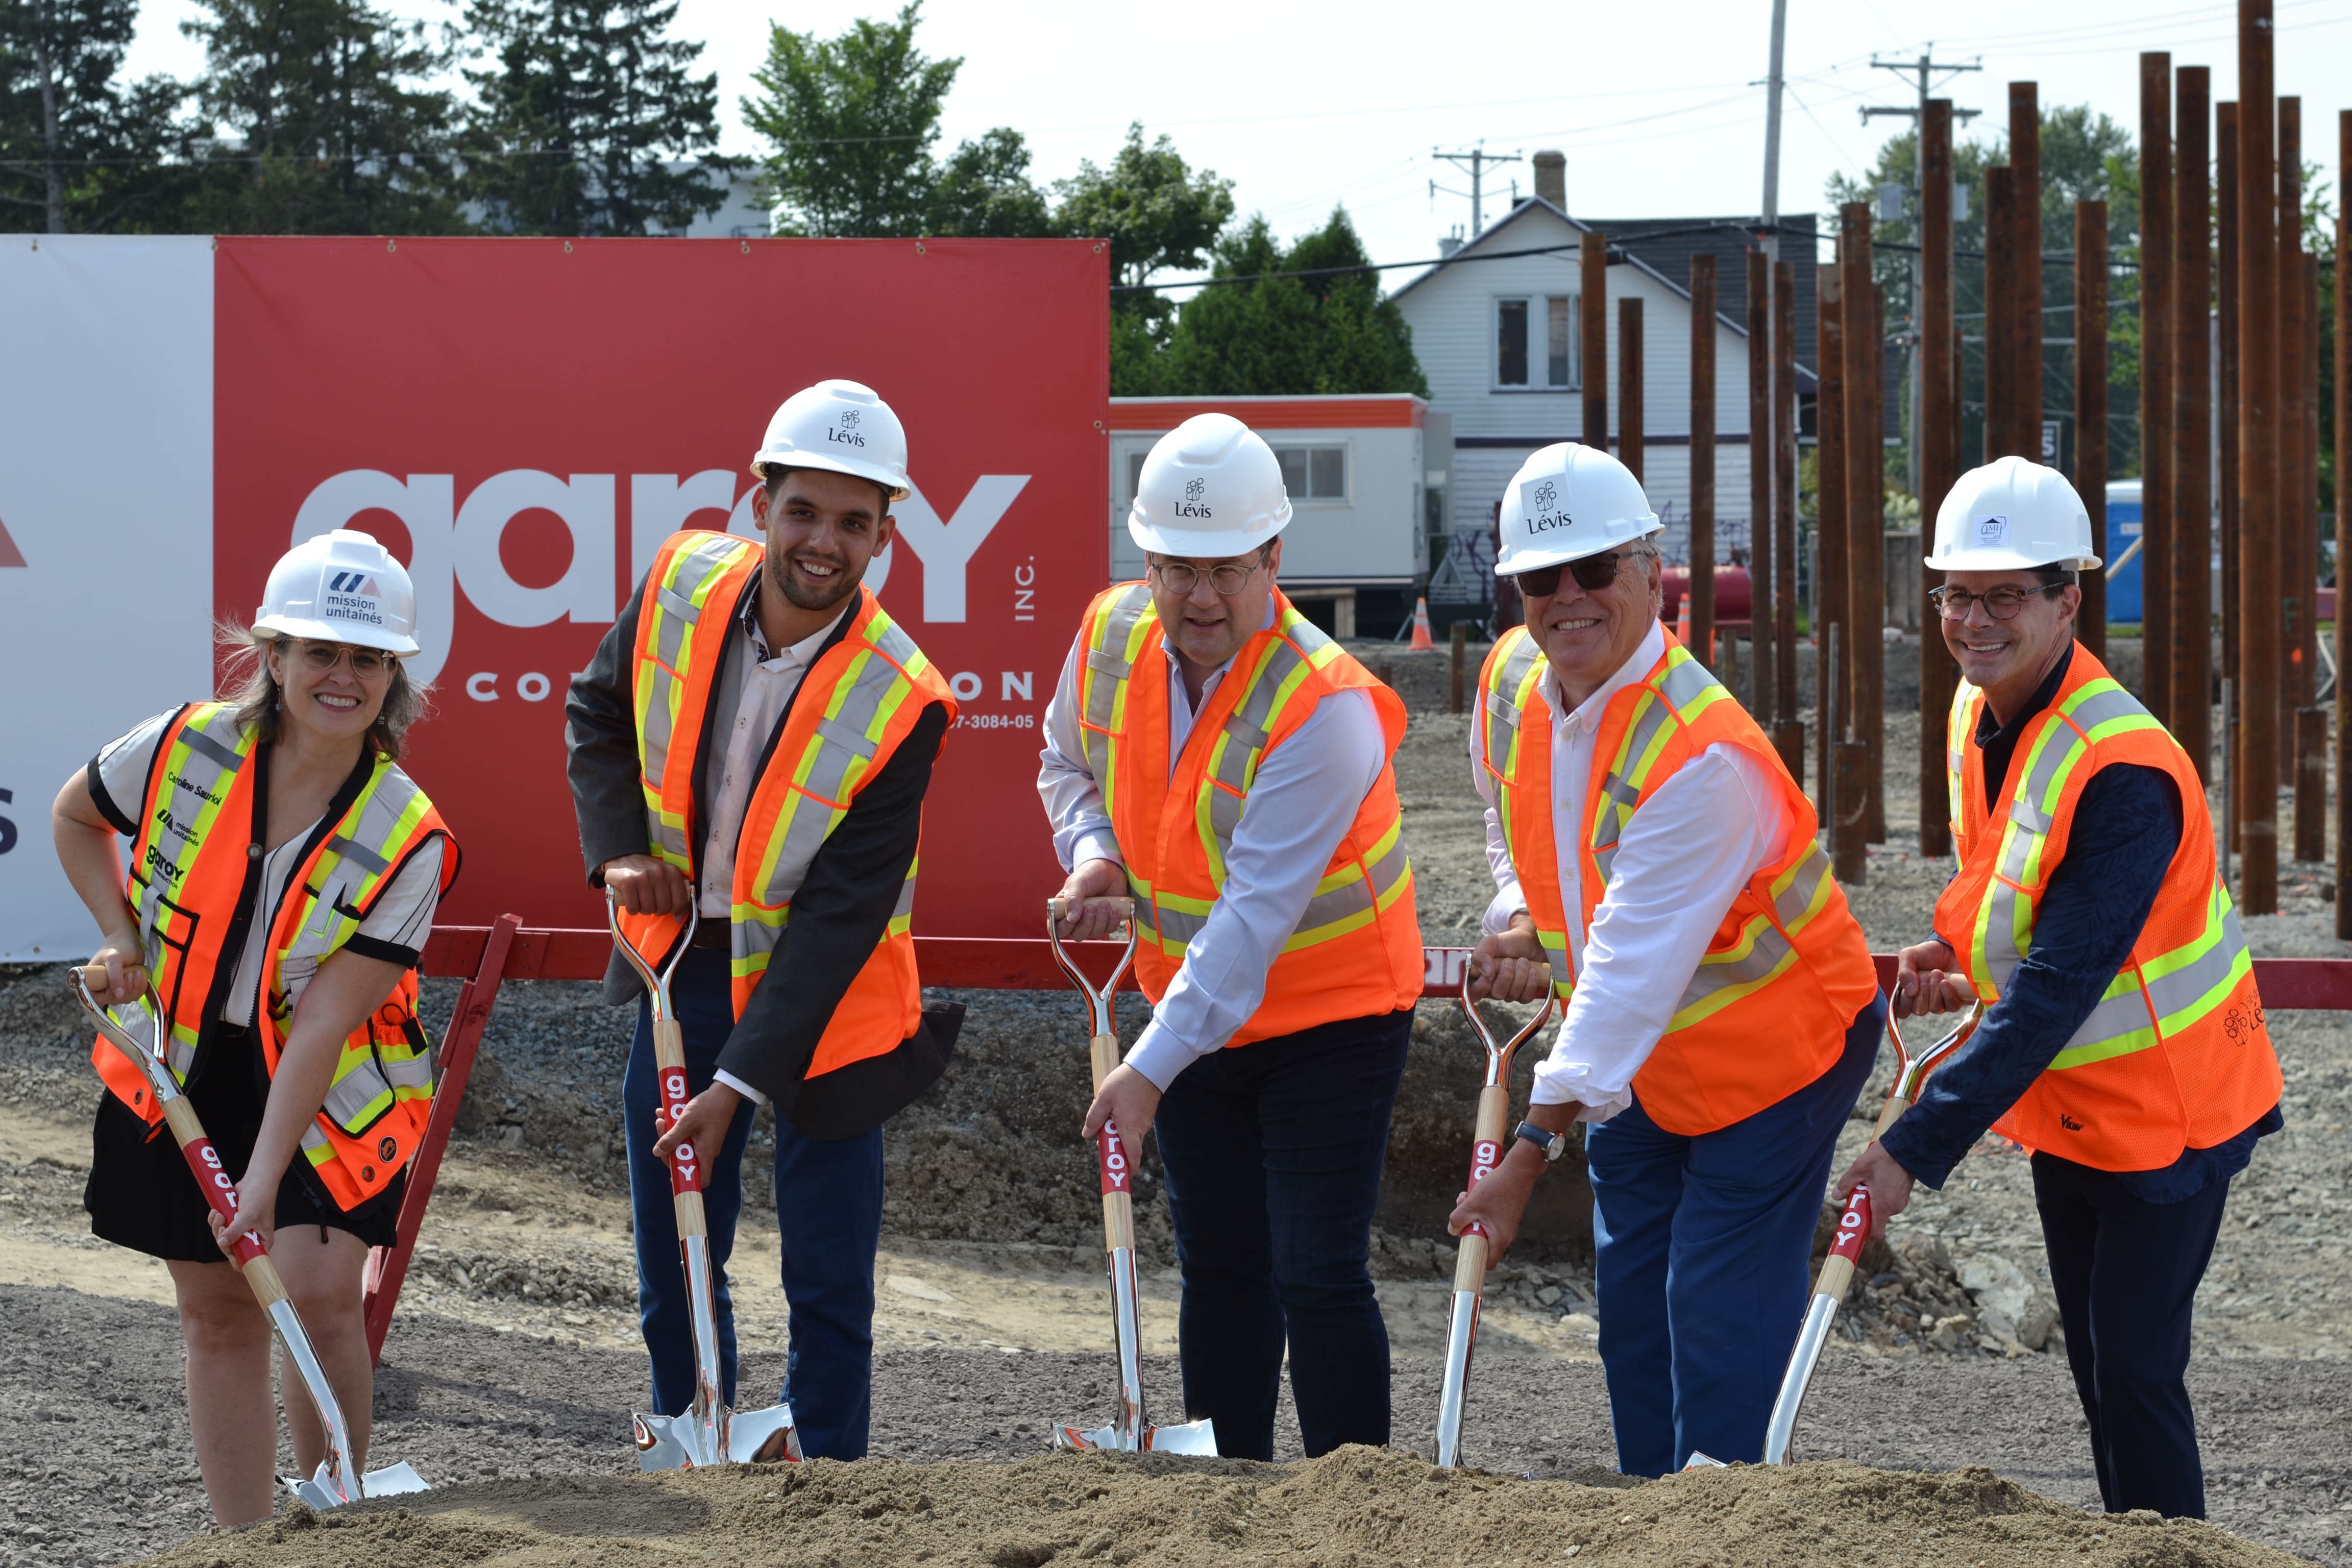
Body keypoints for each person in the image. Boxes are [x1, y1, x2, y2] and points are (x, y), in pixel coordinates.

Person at [1835, 456, 2281, 1520]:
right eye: (1956, 594)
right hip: (2077, 1105)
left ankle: (2175, 1550)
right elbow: (2008, 883)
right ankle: (2131, 1543)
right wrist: (1954, 955)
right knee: (2094, 1369)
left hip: (2176, 1115)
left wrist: (1910, 1148)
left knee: (2134, 1367)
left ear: (2067, 599)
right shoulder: (1978, 707)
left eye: (2004, 596)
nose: (1973, 619)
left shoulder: (2123, 766)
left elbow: (2059, 985)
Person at [1445, 442, 1883, 1476]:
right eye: (1540, 579)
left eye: (1595, 569)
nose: (1567, 599)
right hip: (1643, 1061)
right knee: (1635, 1304)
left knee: (1715, 1309)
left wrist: (1528, 1155)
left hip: (1778, 1052)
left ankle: (1724, 1519)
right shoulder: (1515, 679)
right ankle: (1650, 1510)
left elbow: (1627, 983)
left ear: (1651, 568)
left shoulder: (1704, 757)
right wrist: (1518, 910)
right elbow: (1506, 807)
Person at [565, 378, 957, 1461]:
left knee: (828, 1268)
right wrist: (620, 850)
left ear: (886, 534)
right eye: (804, 511)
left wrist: (737, 1086)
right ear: (760, 502)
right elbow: (595, 710)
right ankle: (694, 1443)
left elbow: (840, 915)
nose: (822, 542)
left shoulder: (904, 694)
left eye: (852, 521)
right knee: (676, 1236)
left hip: (831, 994)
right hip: (685, 963)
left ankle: (828, 1478)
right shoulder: (681, 581)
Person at [52, 529, 457, 1526]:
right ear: (273, 656)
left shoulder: (409, 834)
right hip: (182, 1068)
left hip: (332, 1092)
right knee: (219, 1312)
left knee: (320, 1300)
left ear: (393, 675)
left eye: (367, 658)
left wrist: (264, 1178)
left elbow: (324, 1021)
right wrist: (119, 935)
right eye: (321, 651)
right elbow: (74, 814)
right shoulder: (184, 746)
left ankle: (332, 1526)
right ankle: (246, 1546)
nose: (342, 676)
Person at [1038, 411, 1423, 1460]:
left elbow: (1252, 921)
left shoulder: (1325, 706)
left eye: (1228, 571)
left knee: (1315, 1270)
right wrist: (1094, 855)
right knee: (1222, 1266)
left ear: (1273, 560)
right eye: (1176, 569)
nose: (1202, 597)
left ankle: (1356, 1497)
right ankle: (1227, 1484)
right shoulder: (1110, 635)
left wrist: (1149, 1071)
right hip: (1193, 1008)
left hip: (1330, 1017)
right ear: (1145, 559)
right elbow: (1064, 763)